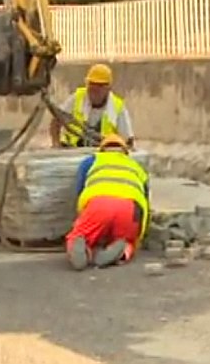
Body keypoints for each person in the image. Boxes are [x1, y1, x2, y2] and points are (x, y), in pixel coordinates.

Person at [66, 133, 151, 271]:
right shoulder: (136, 166)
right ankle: (123, 249)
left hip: (99, 203)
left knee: (80, 234)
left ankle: (83, 245)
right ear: (125, 152)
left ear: (102, 149)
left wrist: (80, 218)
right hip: (130, 207)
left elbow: (80, 189)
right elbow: (146, 200)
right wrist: (140, 234)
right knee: (128, 240)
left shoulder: (92, 161)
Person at [49, 63, 134, 148]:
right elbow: (57, 119)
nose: (94, 90)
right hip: (72, 150)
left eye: (99, 86)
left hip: (103, 154)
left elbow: (128, 140)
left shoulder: (117, 107)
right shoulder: (78, 97)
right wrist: (56, 144)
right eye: (92, 85)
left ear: (108, 87)